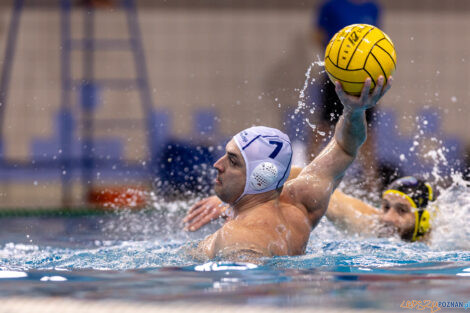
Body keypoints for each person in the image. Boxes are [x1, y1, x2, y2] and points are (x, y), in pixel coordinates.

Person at [184, 76, 392, 262]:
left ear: (261, 177)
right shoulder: (301, 203)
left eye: (233, 161)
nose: (218, 165)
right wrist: (354, 111)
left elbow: (246, 295)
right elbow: (344, 148)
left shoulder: (239, 239)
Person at [185, 168, 434, 243]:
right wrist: (240, 192)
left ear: (424, 219)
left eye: (402, 211)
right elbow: (309, 175)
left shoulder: (446, 241)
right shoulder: (365, 221)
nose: (387, 218)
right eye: (385, 207)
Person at [308, 0, 384, 190]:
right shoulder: (331, 6)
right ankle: (308, 169)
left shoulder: (373, 7)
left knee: (368, 128)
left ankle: (371, 179)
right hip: (336, 76)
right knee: (324, 124)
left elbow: (375, 41)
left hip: (365, 78)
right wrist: (338, 61)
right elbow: (317, 34)